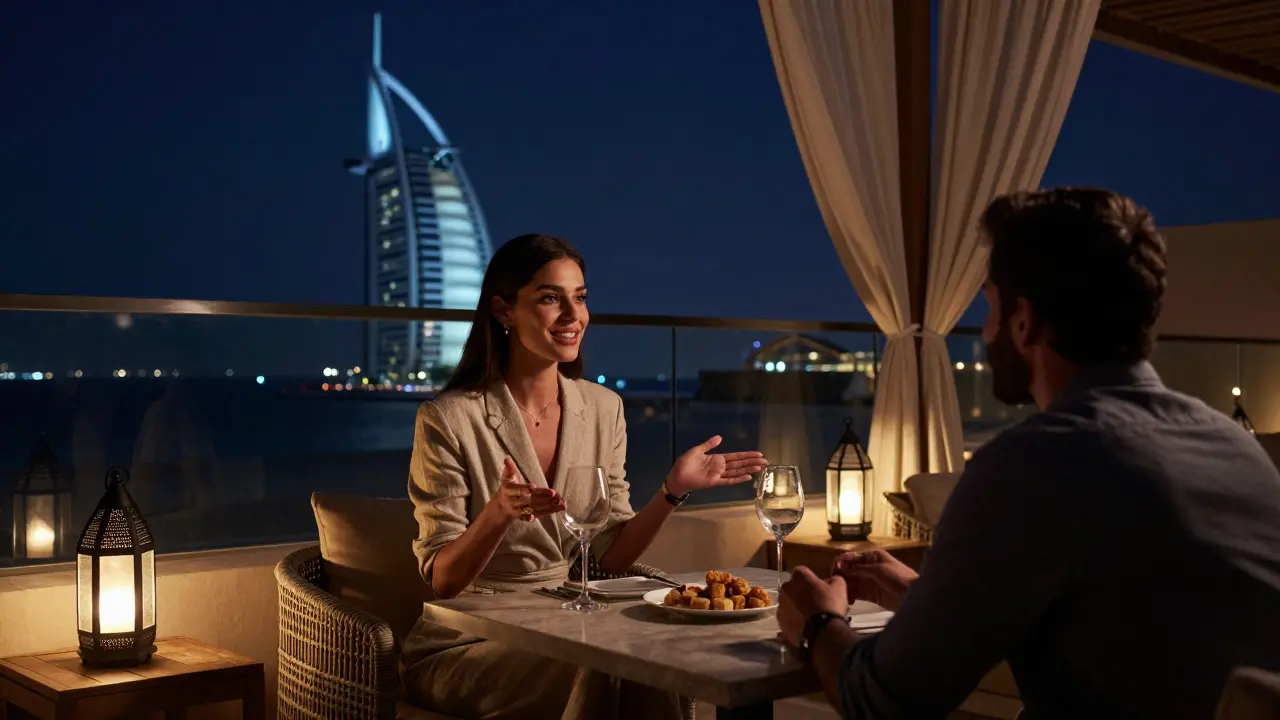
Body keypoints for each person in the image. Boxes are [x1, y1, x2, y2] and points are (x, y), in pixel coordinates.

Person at [777, 188, 1280, 719]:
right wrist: (930, 598)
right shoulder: (1236, 450)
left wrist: (817, 621)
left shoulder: (1035, 464)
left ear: (1023, 320)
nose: (986, 330)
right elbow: (1142, 622)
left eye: (990, 305)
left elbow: (879, 701)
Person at [400, 233, 768, 720]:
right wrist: (499, 514)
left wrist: (673, 490)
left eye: (580, 297)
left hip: (565, 618)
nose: (573, 315)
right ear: (504, 311)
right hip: (470, 639)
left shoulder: (602, 408)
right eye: (550, 298)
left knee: (644, 659)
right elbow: (444, 582)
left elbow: (610, 557)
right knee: (607, 664)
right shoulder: (448, 418)